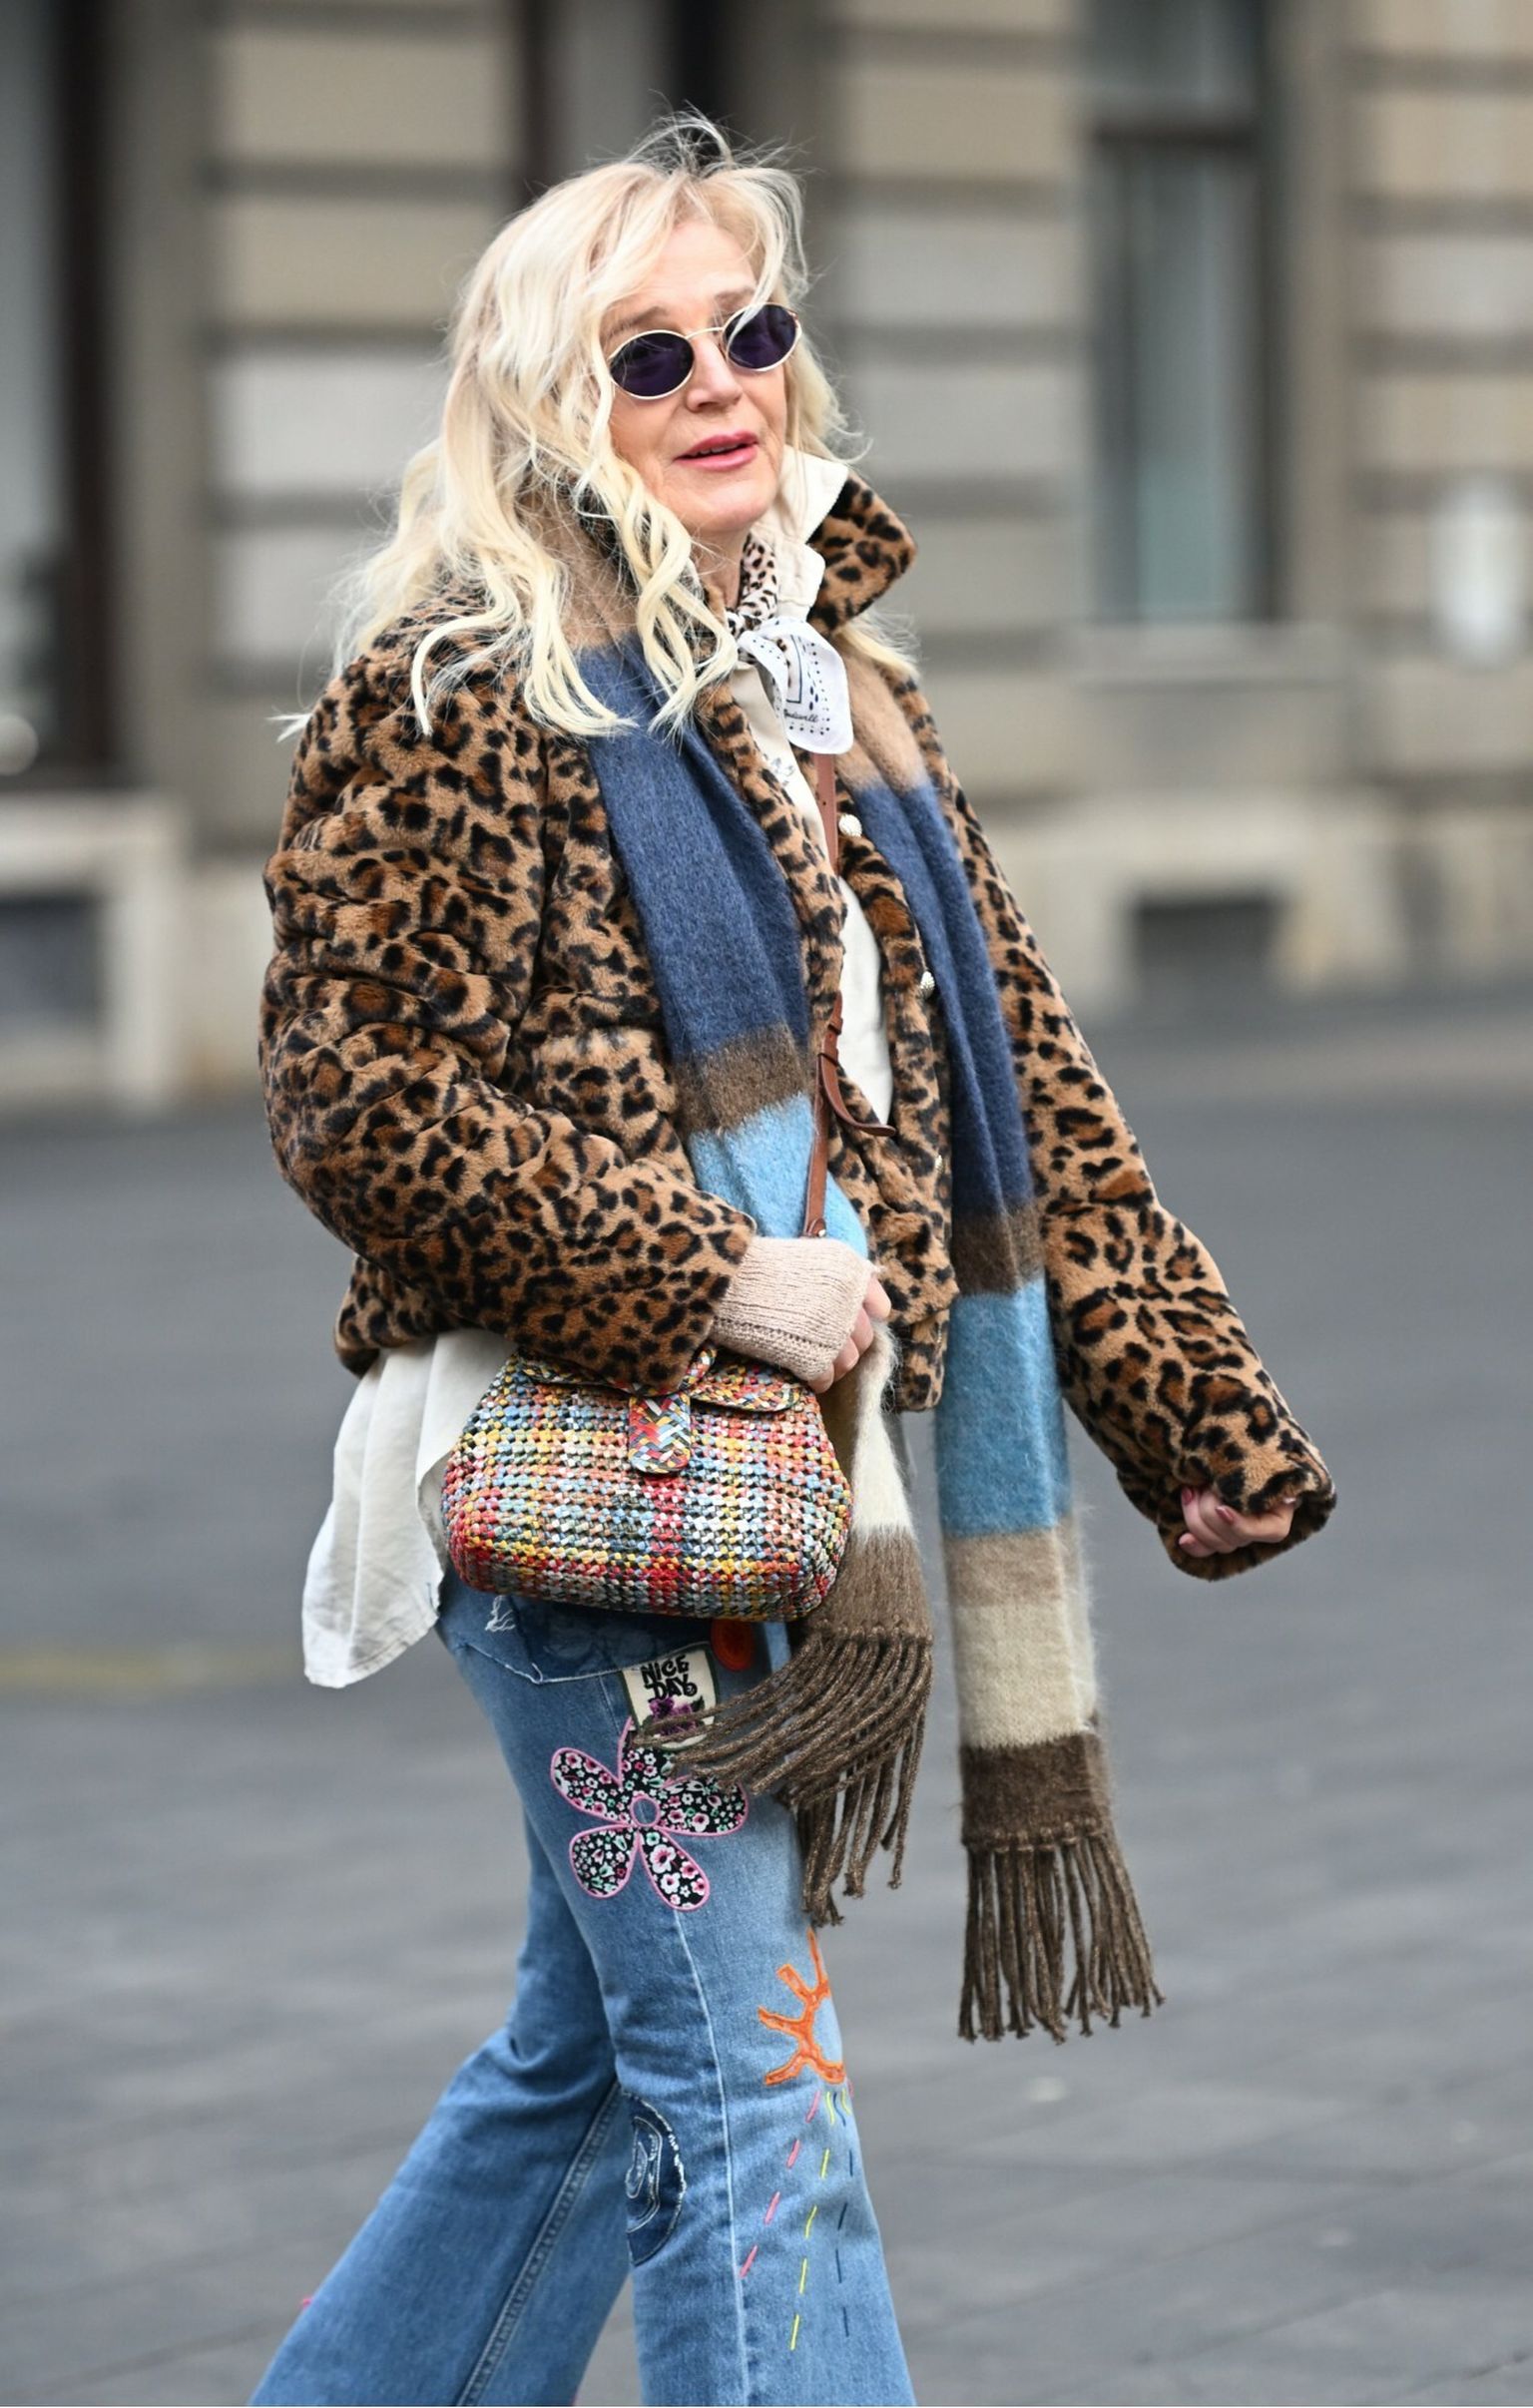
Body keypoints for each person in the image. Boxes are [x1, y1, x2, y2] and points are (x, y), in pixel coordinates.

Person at [249, 113, 1335, 2408]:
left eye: (749, 330)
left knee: (591, 2075)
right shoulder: (462, 693)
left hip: (780, 1496)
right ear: (551, 402)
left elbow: (1034, 1100)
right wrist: (712, 1278)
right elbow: (355, 1099)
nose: (720, 383)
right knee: (756, 2082)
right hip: (600, 1506)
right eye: (648, 355)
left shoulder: (842, 696)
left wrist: (1193, 1417)